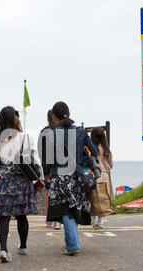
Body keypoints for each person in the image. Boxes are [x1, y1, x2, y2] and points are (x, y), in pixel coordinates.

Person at [0, 106, 43, 263]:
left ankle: (3, 249)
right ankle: (23, 246)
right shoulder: (24, 137)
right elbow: (35, 160)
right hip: (21, 182)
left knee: (4, 217)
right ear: (15, 120)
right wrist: (40, 178)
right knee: (21, 215)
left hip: (2, 181)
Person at [44, 101, 98, 256]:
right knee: (74, 207)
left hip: (60, 177)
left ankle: (73, 244)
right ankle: (72, 242)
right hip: (79, 177)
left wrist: (46, 174)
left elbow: (48, 161)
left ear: (54, 116)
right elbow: (93, 152)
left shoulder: (51, 136)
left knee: (66, 209)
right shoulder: (81, 132)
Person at [38, 110, 61, 230]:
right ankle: (57, 221)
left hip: (48, 165)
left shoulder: (44, 132)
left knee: (48, 192)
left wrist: (44, 170)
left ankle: (49, 218)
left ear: (47, 119)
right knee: (58, 194)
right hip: (61, 166)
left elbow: (41, 152)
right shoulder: (61, 131)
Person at [90, 127, 115, 229]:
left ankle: (93, 220)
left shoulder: (92, 149)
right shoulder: (106, 149)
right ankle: (100, 220)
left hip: (94, 175)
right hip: (105, 175)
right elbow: (111, 164)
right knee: (103, 198)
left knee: (94, 198)